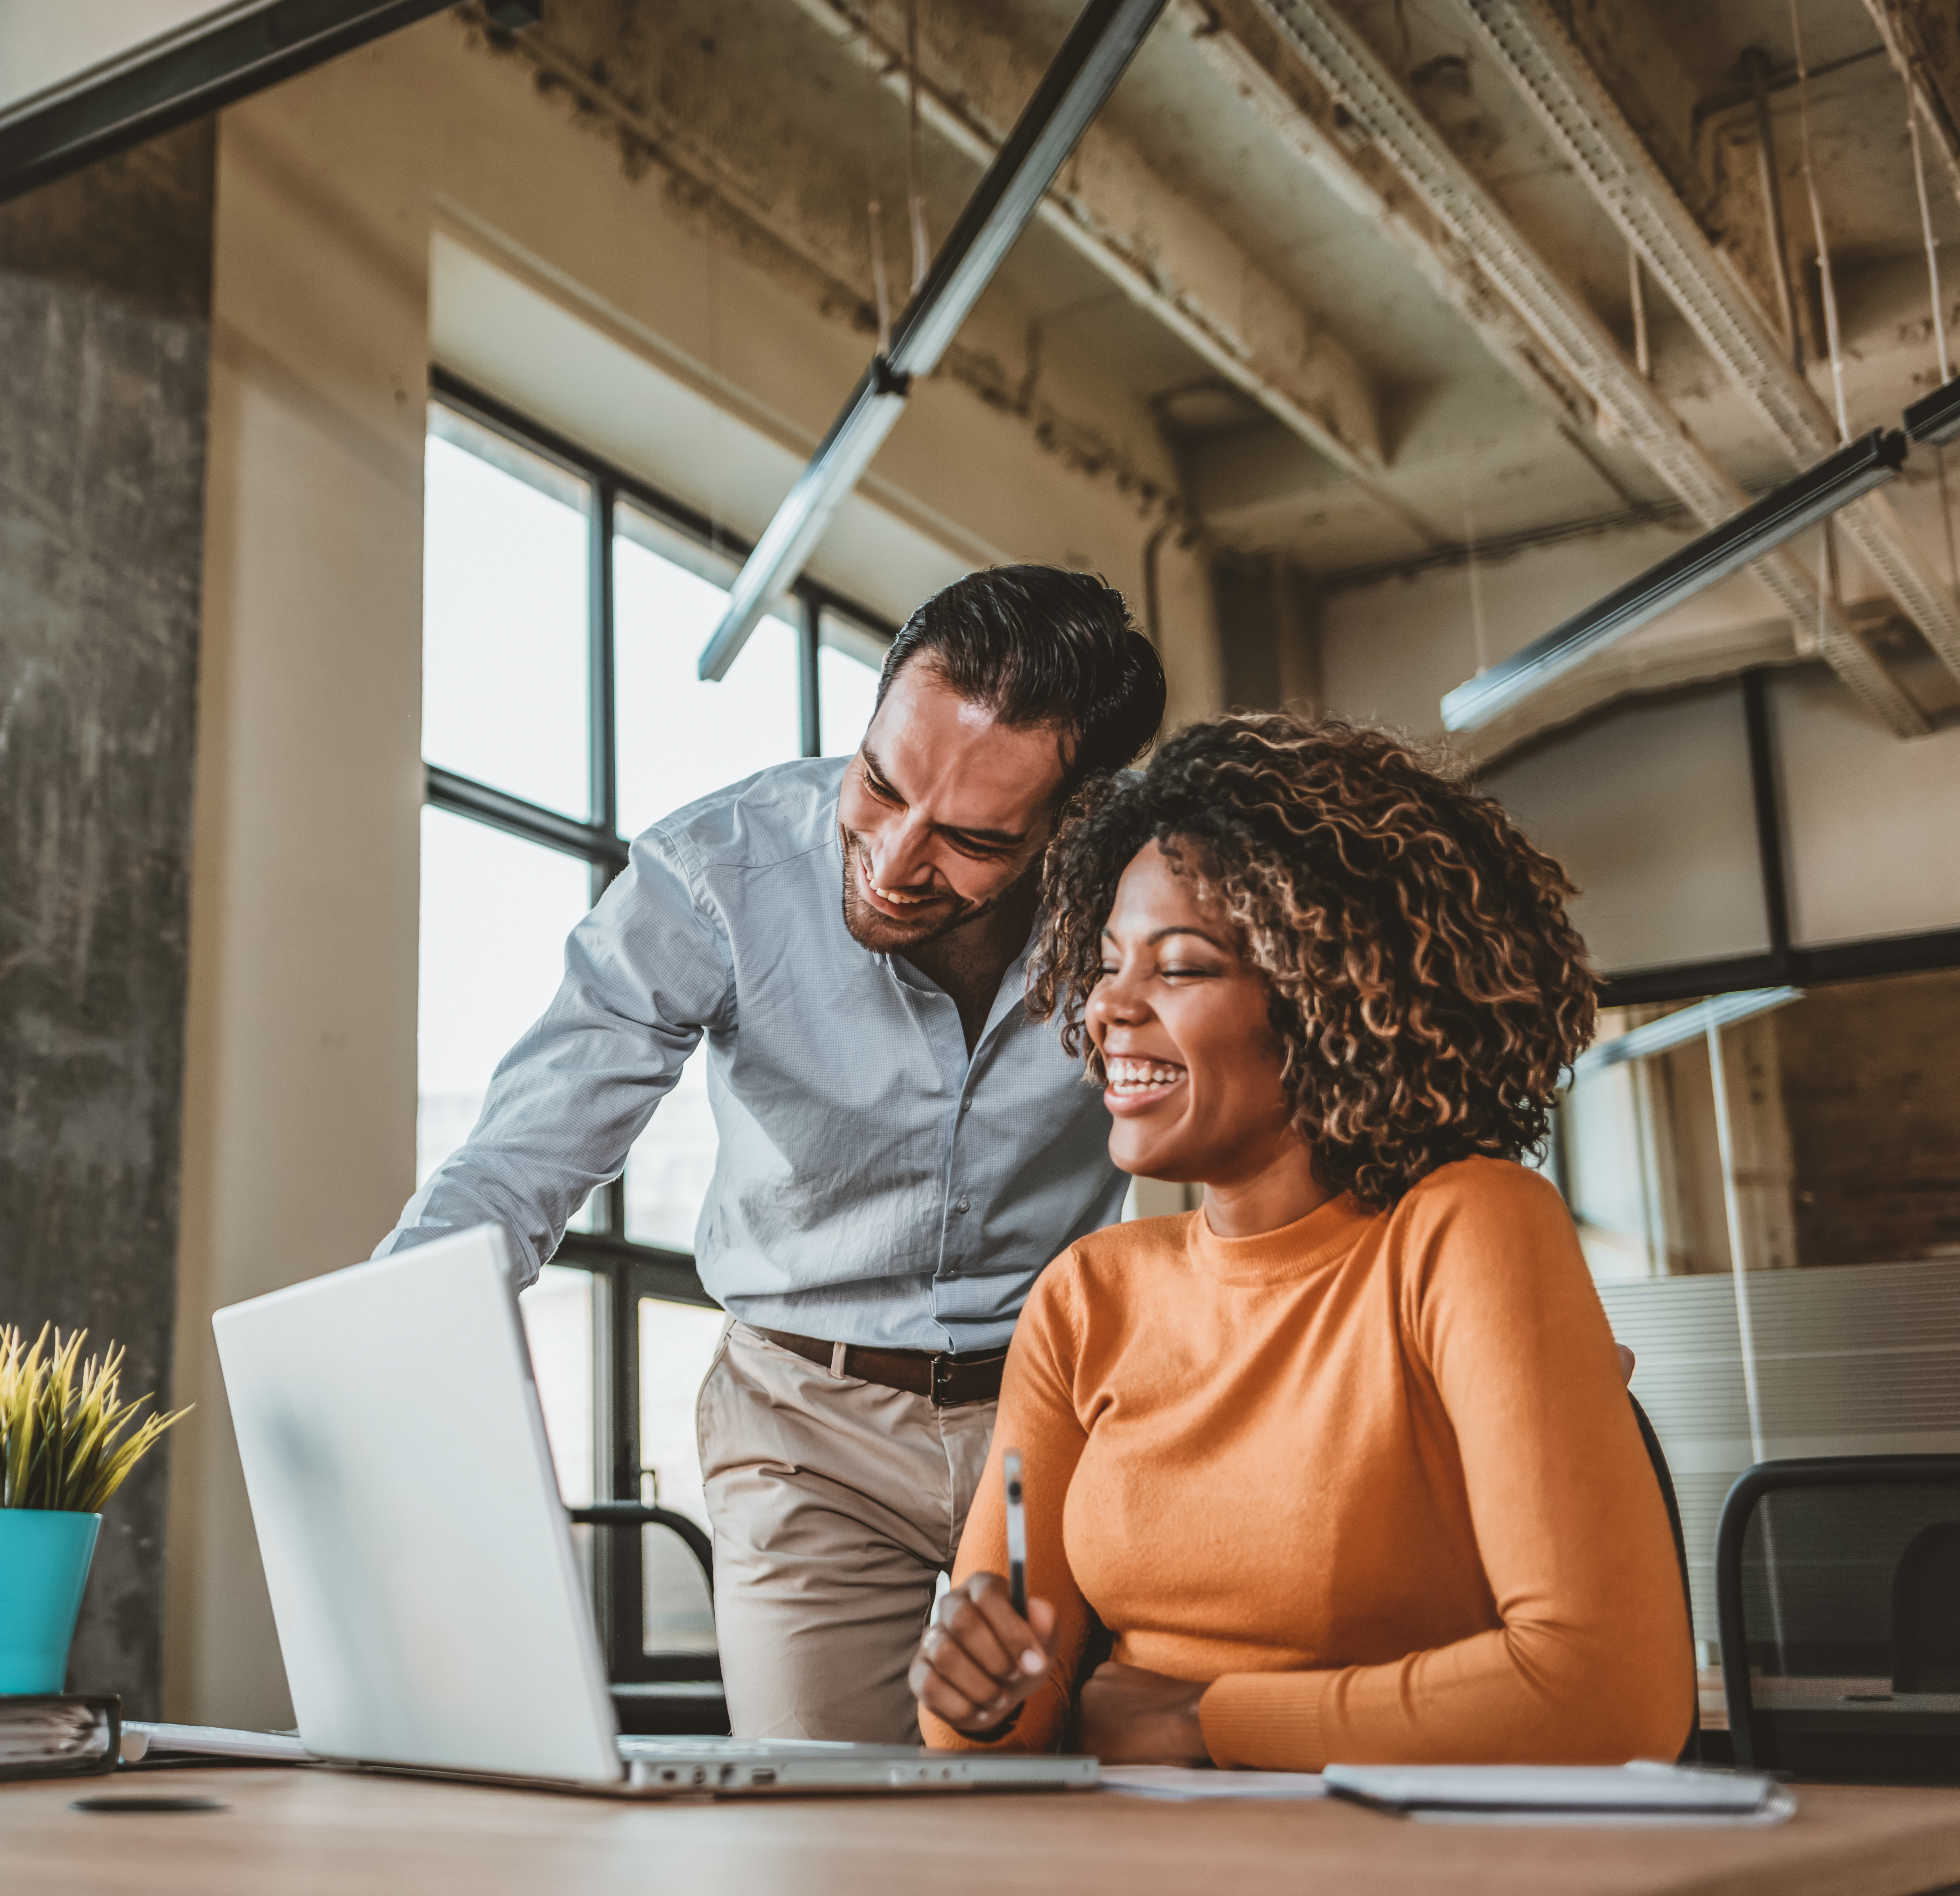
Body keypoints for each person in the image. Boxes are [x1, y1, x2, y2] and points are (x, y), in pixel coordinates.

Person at [377, 565, 1166, 1743]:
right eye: (878, 783)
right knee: (819, 1814)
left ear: (1077, 820)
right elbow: (526, 1154)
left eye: (969, 840)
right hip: (806, 1429)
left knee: (1087, 1796)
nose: (893, 861)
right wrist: (394, 1343)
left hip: (1055, 1416)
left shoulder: (1145, 895)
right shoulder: (719, 874)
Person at [906, 713, 1695, 1768]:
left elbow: (1609, 1694)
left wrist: (1201, 1722)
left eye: (1180, 970)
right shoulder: (1087, 1298)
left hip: (1401, 1843)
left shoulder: (1465, 1228)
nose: (1105, 1008)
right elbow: (1004, 1725)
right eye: (1105, 965)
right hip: (1132, 1842)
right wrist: (976, 1697)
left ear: (1333, 1001)